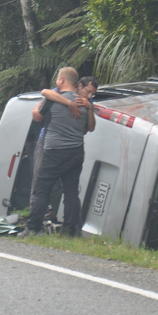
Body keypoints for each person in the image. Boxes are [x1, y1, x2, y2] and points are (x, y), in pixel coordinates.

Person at [20, 67, 96, 237]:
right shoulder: (84, 103)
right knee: (71, 192)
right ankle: (70, 231)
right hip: (76, 152)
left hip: (53, 151)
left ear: (61, 80)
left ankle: (33, 228)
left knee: (41, 190)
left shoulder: (52, 100)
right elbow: (89, 128)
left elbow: (37, 117)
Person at [35, 76, 99, 223]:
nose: (89, 96)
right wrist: (70, 103)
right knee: (65, 190)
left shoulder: (88, 103)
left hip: (60, 149)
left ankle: (35, 226)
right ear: (79, 86)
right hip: (62, 147)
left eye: (92, 94)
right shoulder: (59, 92)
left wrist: (89, 107)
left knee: (44, 189)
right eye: (88, 92)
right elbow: (45, 92)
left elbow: (90, 128)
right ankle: (63, 224)